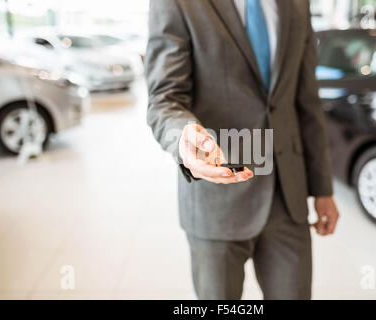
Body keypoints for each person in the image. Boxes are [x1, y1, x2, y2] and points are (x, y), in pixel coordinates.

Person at [145, 0, 340, 300]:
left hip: (288, 197)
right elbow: (165, 98)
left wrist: (323, 189)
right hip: (216, 197)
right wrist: (184, 138)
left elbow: (307, 102)